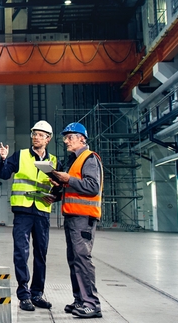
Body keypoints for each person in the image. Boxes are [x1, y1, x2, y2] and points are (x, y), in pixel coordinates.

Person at [0, 120, 57, 312]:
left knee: (41, 254)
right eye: (34, 134)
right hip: (23, 212)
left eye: (40, 135)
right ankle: (24, 295)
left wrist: (56, 190)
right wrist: (3, 159)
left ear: (48, 139)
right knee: (21, 253)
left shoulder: (53, 161)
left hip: (42, 212)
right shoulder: (20, 156)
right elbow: (4, 174)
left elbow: (59, 187)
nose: (36, 137)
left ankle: (37, 293)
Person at [48, 122, 104, 319]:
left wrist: (68, 179)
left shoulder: (89, 158)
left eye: (69, 137)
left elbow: (92, 187)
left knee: (82, 259)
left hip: (83, 217)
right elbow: (75, 189)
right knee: (74, 259)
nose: (65, 141)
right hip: (73, 216)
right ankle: (80, 300)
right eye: (65, 138)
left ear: (82, 138)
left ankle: (91, 303)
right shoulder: (75, 161)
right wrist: (58, 190)